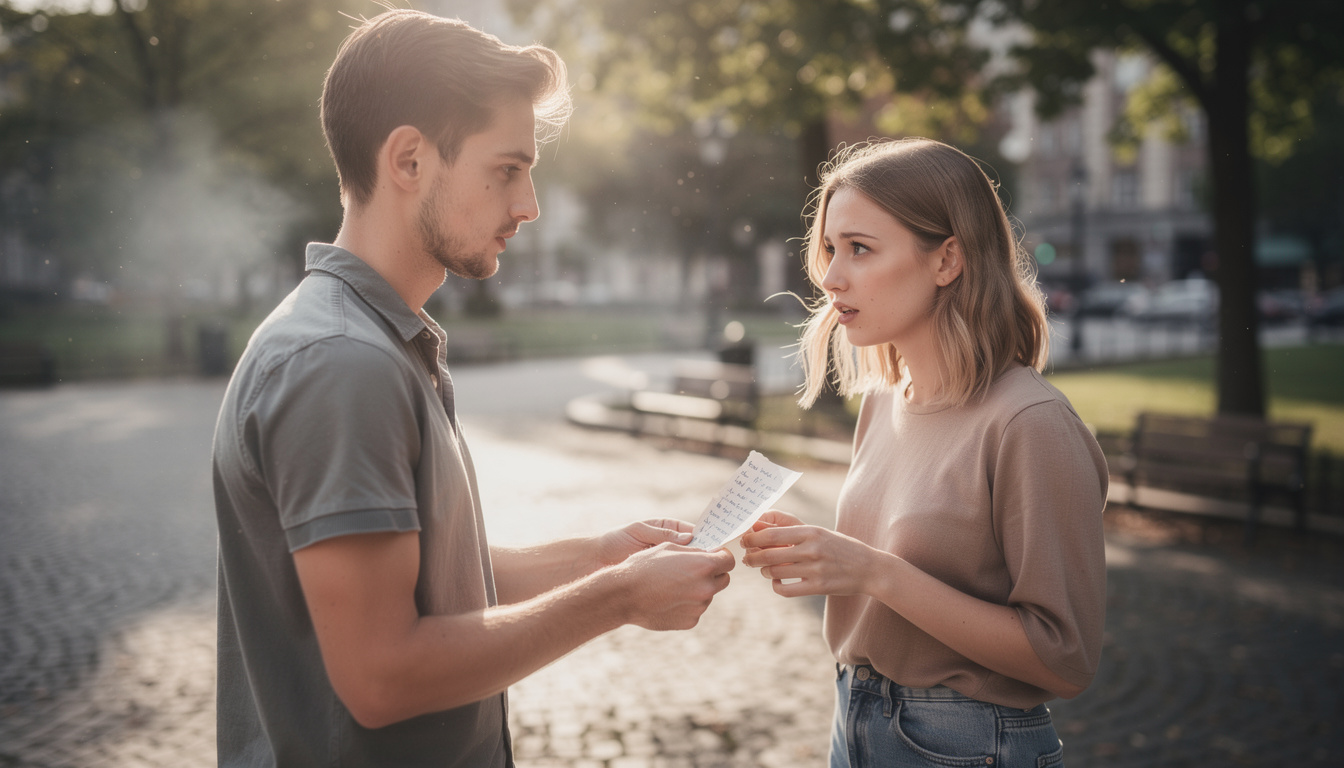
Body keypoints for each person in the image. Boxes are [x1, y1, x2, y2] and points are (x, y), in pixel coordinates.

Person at [210, 10, 735, 767]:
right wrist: (619, 598)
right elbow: (382, 676)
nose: (529, 206)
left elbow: (429, 578)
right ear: (409, 160)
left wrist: (601, 556)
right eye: (506, 170)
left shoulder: (373, 340)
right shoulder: (340, 363)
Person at [740, 138, 1107, 768]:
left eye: (860, 248)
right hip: (852, 722)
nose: (830, 277)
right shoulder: (884, 401)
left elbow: (1064, 659)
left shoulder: (1030, 423)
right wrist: (827, 557)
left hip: (966, 746)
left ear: (947, 259)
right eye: (830, 248)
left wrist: (875, 573)